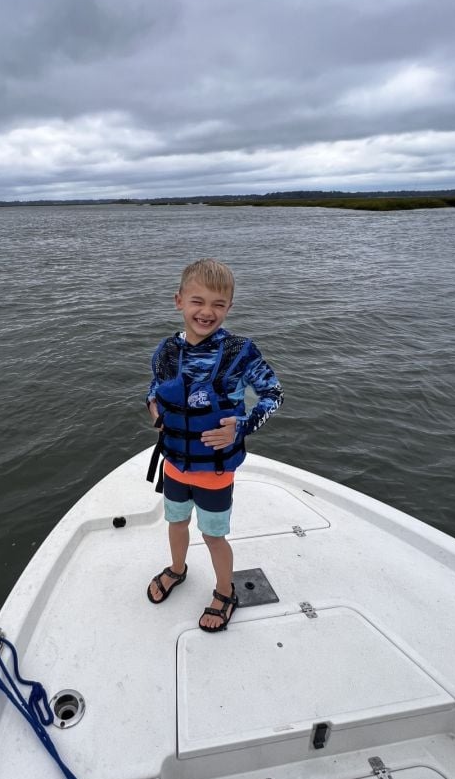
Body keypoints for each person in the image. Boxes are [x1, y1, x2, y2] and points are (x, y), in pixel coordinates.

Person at [145, 258, 283, 631]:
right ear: (179, 300)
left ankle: (225, 592)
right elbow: (154, 389)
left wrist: (242, 426)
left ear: (229, 308)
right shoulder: (166, 351)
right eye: (197, 301)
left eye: (218, 304)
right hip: (174, 464)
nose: (206, 312)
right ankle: (177, 568)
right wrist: (154, 409)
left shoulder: (240, 352)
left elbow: (274, 394)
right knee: (175, 522)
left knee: (213, 534)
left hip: (215, 471)